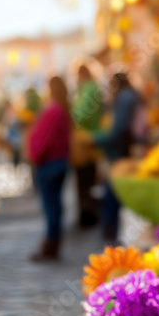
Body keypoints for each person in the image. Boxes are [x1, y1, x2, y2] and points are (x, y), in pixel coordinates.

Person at [27, 76, 72, 261]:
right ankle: (53, 241)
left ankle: (51, 243)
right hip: (60, 161)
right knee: (55, 204)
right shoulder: (62, 109)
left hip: (50, 163)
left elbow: (44, 139)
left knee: (50, 205)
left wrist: (35, 156)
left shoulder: (53, 110)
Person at [93, 73, 139, 244]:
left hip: (122, 151)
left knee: (113, 190)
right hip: (126, 149)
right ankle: (113, 229)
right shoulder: (130, 95)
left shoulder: (125, 97)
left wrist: (96, 140)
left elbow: (118, 129)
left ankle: (111, 229)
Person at [71, 65, 103, 228]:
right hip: (89, 139)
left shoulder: (89, 88)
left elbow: (82, 114)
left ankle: (89, 214)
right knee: (88, 179)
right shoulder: (88, 88)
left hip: (87, 140)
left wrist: (70, 117)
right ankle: (89, 213)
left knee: (86, 180)